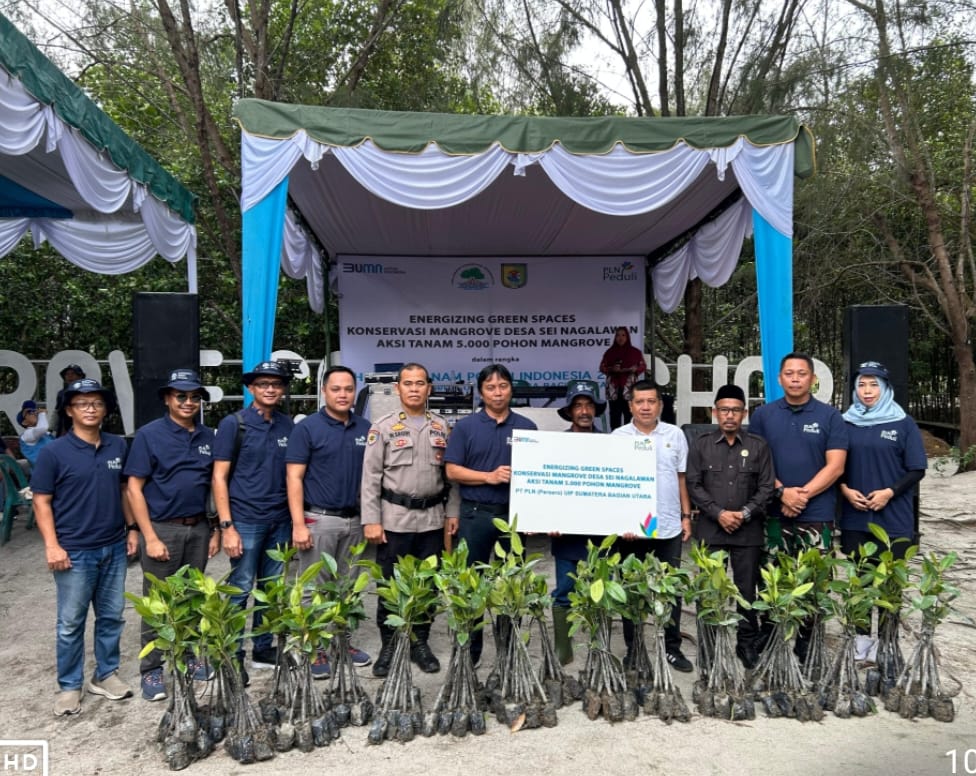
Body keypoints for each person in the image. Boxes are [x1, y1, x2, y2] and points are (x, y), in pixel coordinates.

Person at [30, 379, 139, 716]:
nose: (90, 409)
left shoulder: (116, 446)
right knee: (70, 622)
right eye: (82, 404)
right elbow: (41, 502)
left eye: (97, 403)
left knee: (111, 616)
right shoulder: (53, 452)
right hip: (73, 551)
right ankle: (69, 686)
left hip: (113, 547)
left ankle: (105, 675)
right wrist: (52, 546)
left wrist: (132, 528)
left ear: (105, 410)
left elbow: (124, 491)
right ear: (69, 411)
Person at [361, 363, 460, 677]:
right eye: (408, 383)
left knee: (427, 587)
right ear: (398, 388)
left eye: (420, 383)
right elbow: (370, 478)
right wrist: (371, 520)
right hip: (394, 520)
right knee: (390, 586)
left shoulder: (442, 427)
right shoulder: (383, 427)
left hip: (431, 520)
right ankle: (390, 645)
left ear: (429, 388)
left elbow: (451, 477)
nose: (414, 389)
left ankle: (420, 642)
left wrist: (452, 513)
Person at [125, 369, 218, 701]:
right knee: (158, 603)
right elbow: (133, 489)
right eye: (181, 396)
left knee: (192, 598)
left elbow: (214, 485)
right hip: (162, 528)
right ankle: (151, 670)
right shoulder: (149, 435)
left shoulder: (209, 436)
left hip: (199, 528)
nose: (188, 402)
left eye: (194, 396)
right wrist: (147, 535)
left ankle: (188, 659)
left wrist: (216, 528)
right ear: (167, 398)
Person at [747, 352, 848, 658]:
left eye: (801, 373)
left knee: (814, 581)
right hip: (773, 515)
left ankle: (807, 642)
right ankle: (771, 637)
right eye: (788, 373)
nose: (794, 378)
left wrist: (800, 494)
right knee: (770, 578)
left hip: (816, 516)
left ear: (813, 379)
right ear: (779, 379)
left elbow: (836, 466)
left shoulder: (830, 417)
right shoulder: (763, 416)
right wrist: (781, 494)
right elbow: (757, 463)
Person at [444, 363, 538, 666]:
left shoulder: (527, 427)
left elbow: (538, 474)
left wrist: (538, 515)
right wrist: (489, 477)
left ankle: (510, 650)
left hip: (514, 516)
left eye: (503, 386)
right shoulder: (465, 427)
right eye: (490, 387)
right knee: (473, 585)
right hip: (476, 514)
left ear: (511, 388)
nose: (497, 392)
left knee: (512, 585)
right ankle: (470, 653)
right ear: (481, 392)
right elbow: (452, 470)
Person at [212, 361, 295, 686]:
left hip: (280, 521)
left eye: (276, 384)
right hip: (244, 521)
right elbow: (219, 477)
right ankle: (233, 654)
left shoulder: (288, 426)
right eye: (263, 384)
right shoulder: (235, 424)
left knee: (271, 590)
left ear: (283, 388)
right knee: (240, 589)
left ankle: (263, 646)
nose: (270, 389)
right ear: (251, 388)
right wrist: (226, 525)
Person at [286, 366, 372, 677]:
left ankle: (341, 642)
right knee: (313, 588)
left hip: (355, 521)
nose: (343, 394)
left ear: (355, 391)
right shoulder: (307, 429)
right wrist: (298, 524)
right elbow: (294, 477)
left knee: (347, 588)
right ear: (324, 391)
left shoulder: (365, 428)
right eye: (336, 389)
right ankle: (314, 649)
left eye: (348, 389)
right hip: (318, 519)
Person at [839, 361, 926, 660]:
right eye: (862, 385)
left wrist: (889, 493)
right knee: (860, 580)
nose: (867, 391)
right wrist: (844, 489)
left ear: (886, 388)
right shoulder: (845, 422)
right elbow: (835, 465)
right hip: (854, 516)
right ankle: (861, 644)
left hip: (893, 518)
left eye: (874, 384)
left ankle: (888, 645)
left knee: (889, 583)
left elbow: (917, 469)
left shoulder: (903, 423)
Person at [686, 384, 775, 669]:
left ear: (743, 413)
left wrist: (744, 513)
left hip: (748, 534)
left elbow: (765, 487)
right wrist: (719, 513)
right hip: (711, 532)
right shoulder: (700, 444)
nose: (729, 415)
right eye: (724, 409)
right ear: (715, 412)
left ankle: (746, 644)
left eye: (735, 410)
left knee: (746, 592)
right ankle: (708, 649)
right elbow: (693, 484)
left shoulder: (758, 446)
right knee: (709, 593)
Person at [611, 379, 694, 672]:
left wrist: (686, 516)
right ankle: (635, 651)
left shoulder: (675, 435)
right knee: (632, 590)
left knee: (670, 590)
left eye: (651, 401)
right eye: (640, 402)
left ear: (660, 405)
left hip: (669, 524)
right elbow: (614, 483)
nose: (646, 407)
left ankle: (672, 648)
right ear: (631, 405)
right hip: (632, 529)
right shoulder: (618, 437)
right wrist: (621, 522)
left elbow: (681, 478)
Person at [549, 382, 606, 665]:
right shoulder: (554, 446)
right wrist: (546, 518)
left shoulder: (612, 445)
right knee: (564, 591)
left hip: (600, 536)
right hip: (566, 535)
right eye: (578, 406)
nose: (584, 411)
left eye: (589, 405)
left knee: (599, 592)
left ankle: (598, 646)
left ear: (595, 410)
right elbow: (546, 490)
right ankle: (563, 648)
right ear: (570, 411)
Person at [599, 327, 646, 429]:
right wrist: (611, 369)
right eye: (618, 335)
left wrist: (635, 369)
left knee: (629, 413)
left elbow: (643, 366)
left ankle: (629, 437)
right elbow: (602, 367)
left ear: (627, 337)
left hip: (629, 387)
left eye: (623, 335)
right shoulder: (610, 352)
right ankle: (615, 438)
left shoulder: (635, 352)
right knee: (614, 414)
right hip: (613, 388)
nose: (620, 338)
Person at [17, 400, 54, 468]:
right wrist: (41, 414)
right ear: (24, 422)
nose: (34, 412)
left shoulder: (45, 435)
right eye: (30, 412)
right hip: (45, 473)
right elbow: (43, 428)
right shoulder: (26, 435)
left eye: (34, 410)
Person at [53, 364, 86, 437]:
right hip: (64, 428)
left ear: (80, 377)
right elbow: (57, 411)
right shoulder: (61, 393)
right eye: (67, 374)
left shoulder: (86, 392)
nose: (69, 376)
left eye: (73, 374)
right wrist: (51, 428)